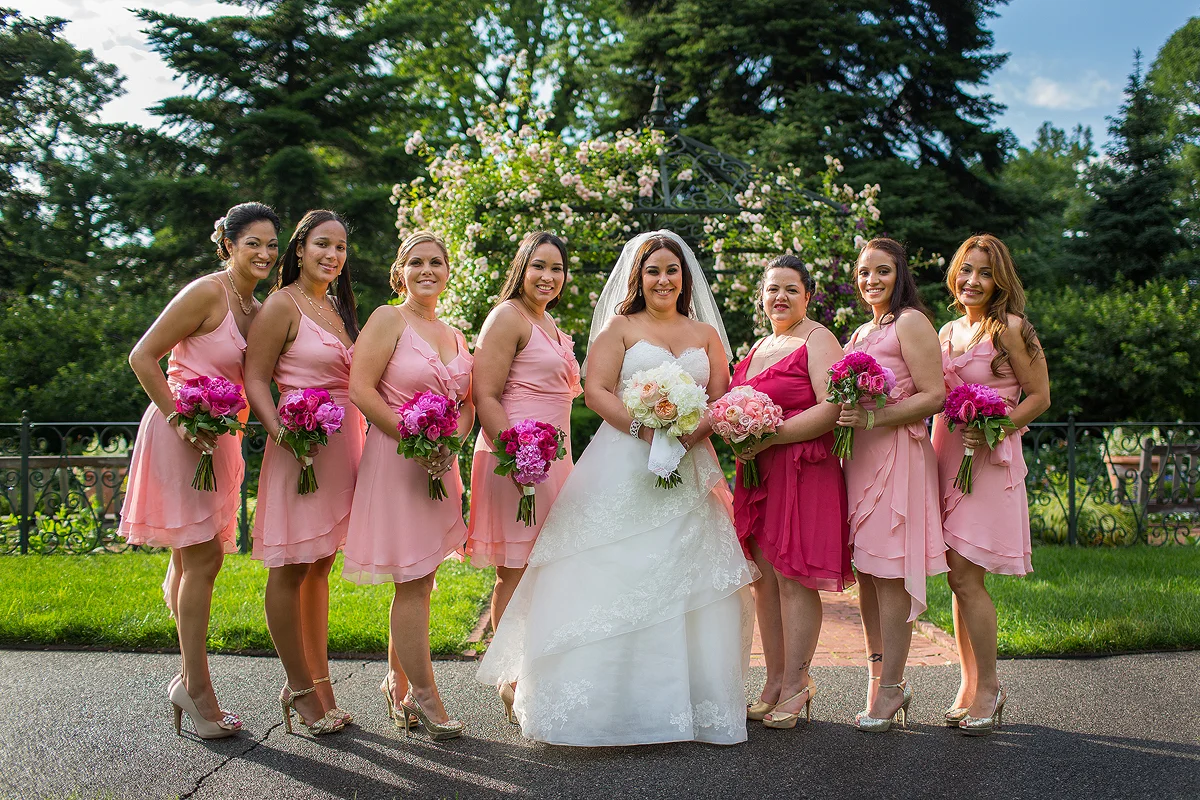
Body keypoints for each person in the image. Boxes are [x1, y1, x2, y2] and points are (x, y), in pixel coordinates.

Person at [476, 230, 756, 747]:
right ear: (638, 278)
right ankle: (606, 706)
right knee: (617, 570)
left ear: (685, 279)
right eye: (653, 271)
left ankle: (684, 704)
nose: (663, 280)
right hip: (625, 460)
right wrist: (646, 430)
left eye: (672, 271)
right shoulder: (620, 328)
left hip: (690, 463)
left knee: (686, 577)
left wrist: (690, 433)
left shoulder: (705, 334)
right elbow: (596, 389)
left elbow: (720, 395)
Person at [120, 201, 279, 739]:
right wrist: (179, 418)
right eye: (253, 242)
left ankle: (187, 681)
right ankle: (197, 688)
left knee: (192, 559)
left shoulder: (258, 309)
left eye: (271, 244)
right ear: (228, 244)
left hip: (221, 439)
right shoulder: (205, 293)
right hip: (180, 434)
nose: (264, 253)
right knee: (204, 558)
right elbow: (143, 356)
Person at [342, 231, 474, 742]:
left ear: (447, 271)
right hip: (398, 462)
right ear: (400, 272)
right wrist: (413, 439)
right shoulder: (387, 319)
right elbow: (360, 389)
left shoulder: (456, 335)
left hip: (441, 467)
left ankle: (398, 687)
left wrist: (451, 444)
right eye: (416, 262)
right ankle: (425, 694)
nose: (427, 270)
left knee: (423, 579)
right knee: (412, 581)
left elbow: (467, 404)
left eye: (436, 262)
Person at [244, 210, 365, 736]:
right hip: (301, 449)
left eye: (340, 247)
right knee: (291, 567)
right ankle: (297, 688)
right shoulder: (281, 305)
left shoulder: (338, 308)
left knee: (320, 566)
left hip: (343, 444)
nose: (332, 255)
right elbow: (255, 378)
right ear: (299, 248)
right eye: (322, 244)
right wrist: (283, 434)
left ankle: (322, 687)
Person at [725, 255, 852, 730]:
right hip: (759, 472)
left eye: (791, 289)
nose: (780, 297)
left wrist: (770, 436)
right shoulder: (761, 344)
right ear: (762, 295)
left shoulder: (818, 339)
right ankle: (774, 682)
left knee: (792, 576)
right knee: (764, 578)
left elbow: (832, 406)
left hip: (802, 469)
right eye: (772, 289)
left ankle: (798, 683)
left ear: (808, 295)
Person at [932, 234, 1050, 736]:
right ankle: (968, 683)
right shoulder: (946, 331)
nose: (973, 281)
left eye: (984, 273)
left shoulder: (1013, 329)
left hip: (989, 459)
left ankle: (991, 687)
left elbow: (1040, 396)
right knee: (956, 578)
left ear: (999, 280)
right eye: (966, 270)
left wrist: (996, 427)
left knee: (966, 576)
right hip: (948, 456)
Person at [464, 231, 582, 722]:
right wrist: (518, 458)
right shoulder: (507, 317)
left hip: (553, 461)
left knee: (545, 569)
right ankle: (510, 680)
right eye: (539, 266)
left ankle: (535, 670)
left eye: (556, 268)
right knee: (514, 569)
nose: (548, 277)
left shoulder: (548, 322)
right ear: (522, 268)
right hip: (514, 458)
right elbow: (485, 395)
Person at [838, 238, 947, 733]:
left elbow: (934, 396)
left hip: (898, 457)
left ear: (900, 274)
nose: (871, 280)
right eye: (864, 272)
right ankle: (877, 677)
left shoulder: (911, 322)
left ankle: (893, 686)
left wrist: (872, 416)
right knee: (866, 572)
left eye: (882, 271)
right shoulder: (863, 331)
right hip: (860, 458)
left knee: (889, 572)